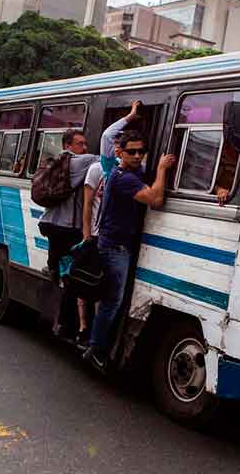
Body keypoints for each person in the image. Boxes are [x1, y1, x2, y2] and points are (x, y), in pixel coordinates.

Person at [83, 131, 177, 368]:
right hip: (114, 247)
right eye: (131, 151)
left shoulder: (134, 173)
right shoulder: (122, 177)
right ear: (119, 152)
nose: (137, 156)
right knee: (112, 301)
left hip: (120, 245)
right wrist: (162, 169)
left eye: (141, 152)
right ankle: (96, 348)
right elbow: (155, 199)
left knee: (113, 299)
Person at [37, 129, 98, 340]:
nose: (85, 148)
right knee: (71, 277)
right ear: (68, 146)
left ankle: (53, 269)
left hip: (52, 224)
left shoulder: (61, 163)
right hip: (66, 228)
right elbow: (107, 158)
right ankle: (64, 323)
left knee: (63, 270)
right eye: (80, 144)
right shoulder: (79, 162)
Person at [83, 101, 142, 241]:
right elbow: (88, 203)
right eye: (114, 143)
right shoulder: (106, 167)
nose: (116, 147)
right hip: (101, 233)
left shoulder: (137, 167)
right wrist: (86, 234)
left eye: (120, 144)